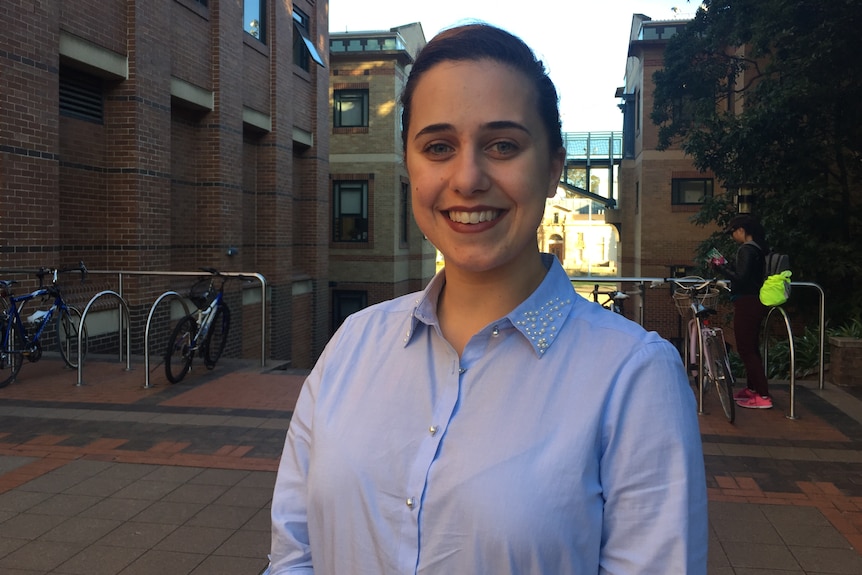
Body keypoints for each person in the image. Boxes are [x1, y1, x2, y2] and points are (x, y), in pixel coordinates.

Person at [268, 23, 707, 574]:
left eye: (503, 145)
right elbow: (292, 557)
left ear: (552, 168)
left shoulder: (632, 379)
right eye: (438, 147)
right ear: (410, 163)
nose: (468, 178)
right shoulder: (352, 345)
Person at [715, 214, 771, 409]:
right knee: (752, 347)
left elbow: (741, 279)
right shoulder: (759, 249)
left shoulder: (746, 249)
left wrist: (720, 268)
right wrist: (727, 265)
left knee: (746, 348)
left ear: (742, 230)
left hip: (746, 302)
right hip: (756, 301)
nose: (733, 236)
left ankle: (762, 395)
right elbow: (745, 274)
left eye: (733, 232)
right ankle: (753, 389)